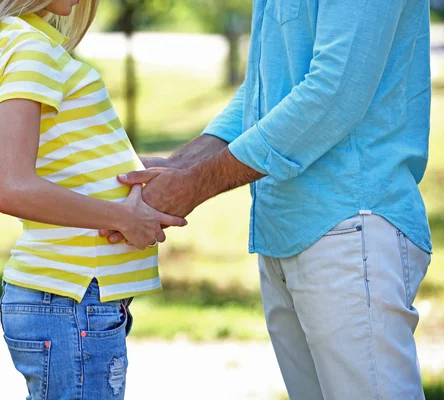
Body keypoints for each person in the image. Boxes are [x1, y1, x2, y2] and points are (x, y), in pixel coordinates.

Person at [102, 0, 433, 398]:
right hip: (285, 229)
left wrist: (196, 184)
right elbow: (267, 86)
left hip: (350, 226)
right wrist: (182, 165)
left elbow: (333, 93)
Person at [0, 0, 187, 398]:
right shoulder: (28, 51)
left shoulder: (6, 44)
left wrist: (133, 169)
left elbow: (5, 178)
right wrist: (123, 216)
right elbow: (12, 189)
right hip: (72, 295)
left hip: (66, 299)